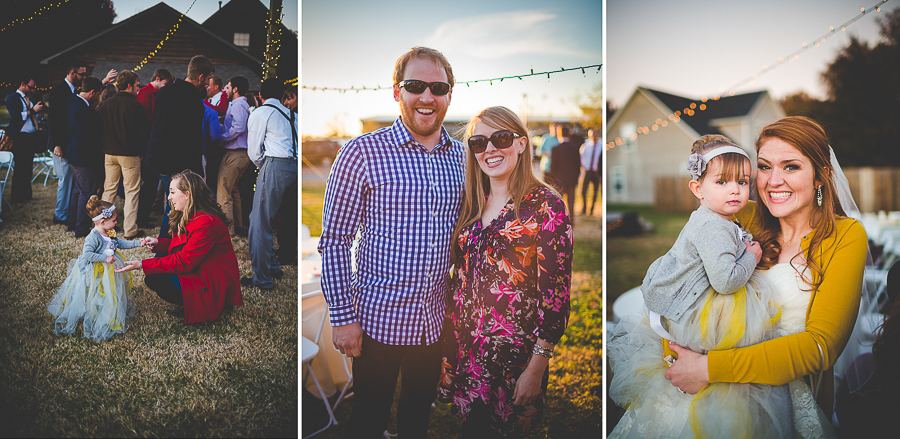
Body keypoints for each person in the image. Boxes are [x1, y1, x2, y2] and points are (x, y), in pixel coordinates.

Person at [662, 116, 870, 433]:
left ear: (820, 177)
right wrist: (681, 356)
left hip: (788, 404)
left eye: (791, 167)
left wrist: (709, 368)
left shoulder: (845, 236)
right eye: (763, 166)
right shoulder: (739, 217)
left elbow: (820, 347)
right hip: (704, 395)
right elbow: (682, 280)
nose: (772, 181)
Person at [608, 135, 804, 438]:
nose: (735, 190)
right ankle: (717, 363)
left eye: (742, 181)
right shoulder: (712, 227)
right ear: (698, 188)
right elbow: (726, 281)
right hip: (696, 310)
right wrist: (753, 254)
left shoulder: (717, 218)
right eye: (722, 182)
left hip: (698, 299)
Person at [318, 46, 465, 438]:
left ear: (450, 94)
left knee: (417, 417)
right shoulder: (360, 152)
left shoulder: (464, 159)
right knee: (368, 419)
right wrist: (343, 316)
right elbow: (334, 240)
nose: (427, 97)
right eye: (416, 85)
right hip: (376, 323)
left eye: (438, 87)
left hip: (434, 323)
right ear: (396, 91)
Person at [438, 106, 572, 437]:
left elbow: (555, 298)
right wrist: (448, 354)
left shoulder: (546, 206)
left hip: (515, 359)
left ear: (522, 144)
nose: (490, 149)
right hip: (466, 350)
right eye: (479, 142)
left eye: (500, 138)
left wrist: (536, 369)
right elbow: (461, 279)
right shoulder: (470, 201)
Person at [115, 171, 243, 324]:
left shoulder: (207, 222)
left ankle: (208, 306)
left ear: (188, 194)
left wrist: (141, 264)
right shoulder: (191, 214)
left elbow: (184, 260)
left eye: (172, 192)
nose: (169, 197)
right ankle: (193, 303)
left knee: (157, 278)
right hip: (201, 269)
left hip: (212, 279)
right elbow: (187, 248)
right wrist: (158, 242)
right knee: (155, 277)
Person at [47, 196, 146, 342]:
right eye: (114, 220)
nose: (116, 222)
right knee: (94, 290)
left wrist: (138, 242)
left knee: (110, 290)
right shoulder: (93, 237)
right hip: (95, 269)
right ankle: (93, 312)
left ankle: (108, 310)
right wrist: (104, 258)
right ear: (102, 222)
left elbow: (120, 243)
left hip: (109, 268)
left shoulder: (110, 231)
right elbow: (87, 254)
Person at [146, 55, 214, 241]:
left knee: (173, 205)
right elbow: (191, 139)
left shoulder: (165, 91)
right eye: (208, 79)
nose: (208, 84)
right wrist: (197, 172)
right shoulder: (194, 102)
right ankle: (164, 251)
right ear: (200, 77)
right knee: (175, 209)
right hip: (174, 162)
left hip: (156, 156)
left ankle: (173, 246)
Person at [243, 78, 297, 290]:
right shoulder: (293, 115)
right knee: (274, 217)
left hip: (275, 165)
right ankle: (273, 266)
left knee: (259, 222)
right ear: (283, 96)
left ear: (260, 95)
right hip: (294, 168)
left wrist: (264, 167)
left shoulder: (261, 113)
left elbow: (254, 151)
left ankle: (262, 279)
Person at [98, 70, 151, 239]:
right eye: (136, 85)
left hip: (109, 153)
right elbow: (145, 132)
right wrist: (142, 152)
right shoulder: (136, 105)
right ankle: (130, 230)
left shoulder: (106, 104)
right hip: (130, 154)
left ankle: (104, 228)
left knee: (109, 190)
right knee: (132, 191)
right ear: (129, 85)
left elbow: (98, 128)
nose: (138, 88)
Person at [66, 76, 105, 238]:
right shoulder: (82, 109)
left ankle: (72, 223)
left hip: (75, 156)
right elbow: (84, 138)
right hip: (83, 158)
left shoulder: (73, 102)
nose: (98, 97)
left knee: (77, 191)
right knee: (86, 193)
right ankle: (81, 229)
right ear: (92, 92)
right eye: (98, 94)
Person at [48, 63, 87, 227]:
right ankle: (60, 215)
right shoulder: (58, 91)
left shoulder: (75, 91)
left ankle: (67, 212)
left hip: (70, 144)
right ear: (72, 73)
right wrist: (57, 144)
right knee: (65, 180)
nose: (84, 77)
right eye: (81, 74)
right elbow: (53, 120)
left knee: (71, 180)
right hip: (60, 144)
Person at [135, 68, 173, 229]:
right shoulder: (145, 93)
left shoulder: (157, 94)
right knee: (148, 184)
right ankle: (140, 217)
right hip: (146, 145)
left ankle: (144, 215)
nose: (165, 87)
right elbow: (143, 121)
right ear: (157, 79)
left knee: (151, 184)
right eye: (164, 84)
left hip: (152, 145)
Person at [216, 75, 251, 235]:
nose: (226, 90)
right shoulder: (241, 104)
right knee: (233, 190)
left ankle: (227, 231)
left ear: (235, 89)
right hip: (241, 154)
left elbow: (238, 127)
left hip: (235, 153)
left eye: (228, 87)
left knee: (223, 192)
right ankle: (238, 225)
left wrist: (221, 138)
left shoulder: (238, 105)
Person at [4, 76, 45, 204]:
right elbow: (16, 117)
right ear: (22, 84)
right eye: (31, 87)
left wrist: (39, 115)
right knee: (20, 168)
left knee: (28, 168)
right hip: (20, 138)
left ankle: (27, 194)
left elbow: (31, 118)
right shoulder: (13, 98)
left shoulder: (29, 99)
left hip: (30, 137)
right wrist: (32, 111)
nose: (32, 90)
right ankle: (17, 197)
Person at [549, 125, 582, 222]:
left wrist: (553, 181)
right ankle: (571, 222)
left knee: (559, 203)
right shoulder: (575, 148)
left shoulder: (556, 149)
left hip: (559, 180)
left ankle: (560, 222)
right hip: (572, 180)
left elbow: (553, 167)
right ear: (569, 134)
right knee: (571, 203)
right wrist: (576, 179)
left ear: (559, 134)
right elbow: (578, 165)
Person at [580, 128, 602, 216]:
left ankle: (592, 209)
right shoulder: (585, 146)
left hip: (596, 172)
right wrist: (583, 168)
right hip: (587, 171)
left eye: (596, 135)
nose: (594, 137)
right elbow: (581, 158)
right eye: (592, 135)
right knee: (583, 191)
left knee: (595, 191)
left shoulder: (602, 146)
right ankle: (584, 208)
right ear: (589, 136)